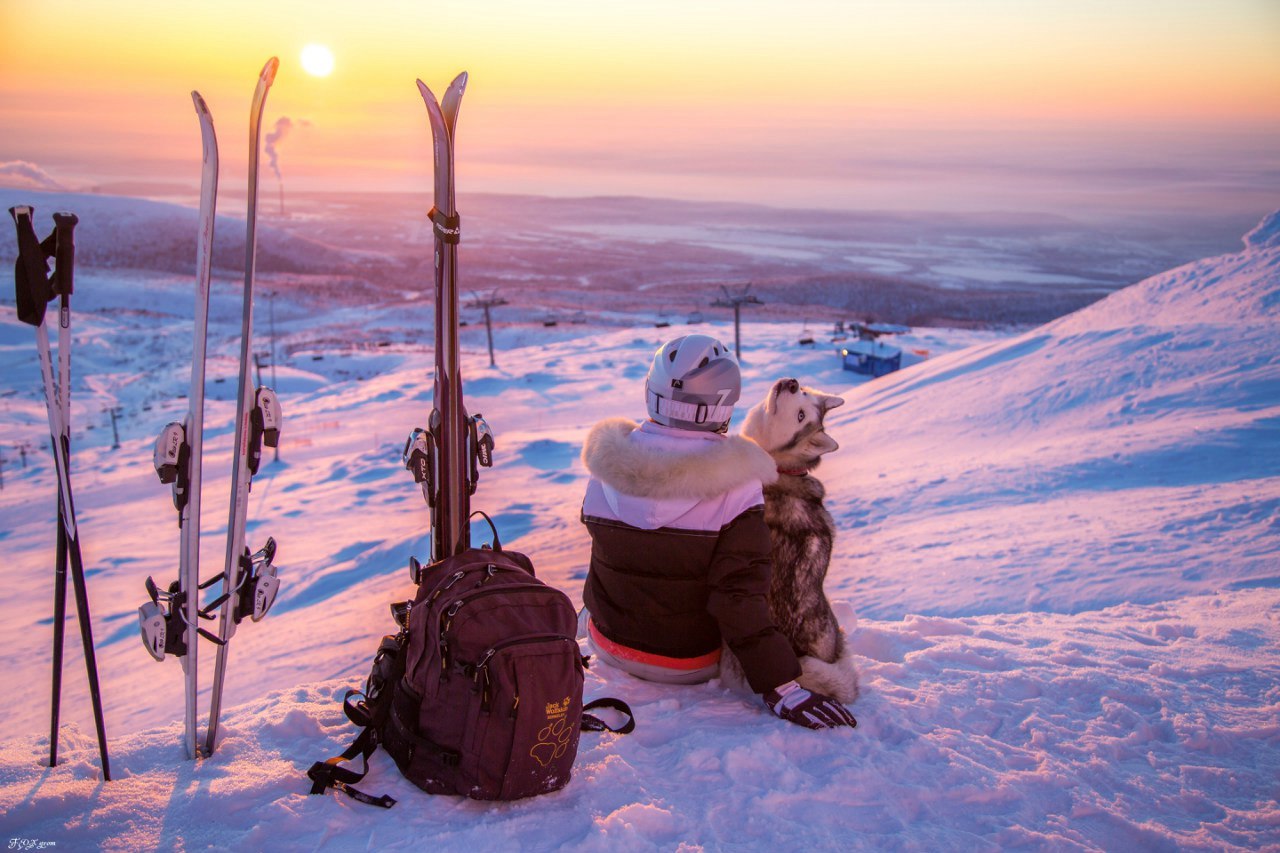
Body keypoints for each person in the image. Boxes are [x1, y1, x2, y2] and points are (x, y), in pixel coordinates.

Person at [579, 334, 855, 730]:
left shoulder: (605, 464)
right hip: (687, 663)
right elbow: (738, 599)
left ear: (650, 391)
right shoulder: (739, 484)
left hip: (607, 645)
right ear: (724, 405)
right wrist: (781, 685)